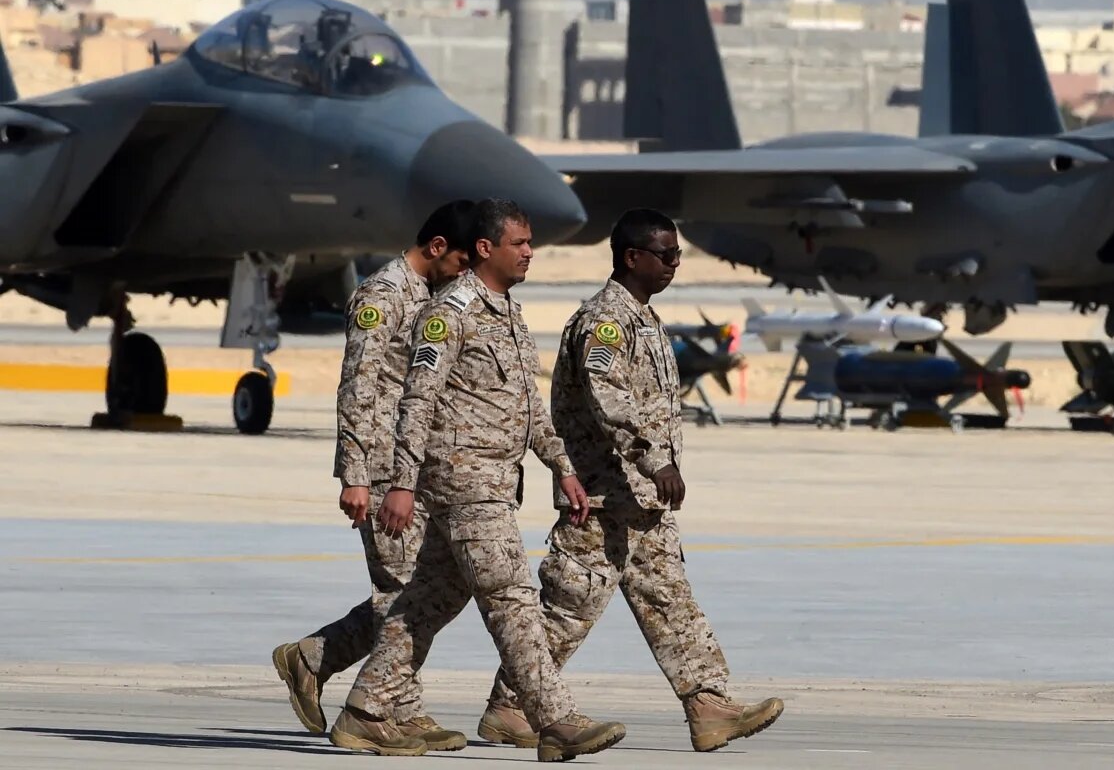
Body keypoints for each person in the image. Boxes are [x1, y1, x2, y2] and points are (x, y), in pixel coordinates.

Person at [330, 198, 626, 762]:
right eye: (521, 243)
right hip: (463, 482)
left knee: (430, 599)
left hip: (494, 480)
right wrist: (399, 482)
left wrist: (561, 466)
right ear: (486, 249)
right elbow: (416, 398)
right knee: (512, 597)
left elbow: (525, 403)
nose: (530, 253)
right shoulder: (449, 314)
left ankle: (366, 709)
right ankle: (555, 720)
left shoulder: (508, 312)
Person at [480, 208, 784, 753]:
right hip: (602, 495)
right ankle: (512, 707)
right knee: (569, 609)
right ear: (632, 257)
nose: (673, 264)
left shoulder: (643, 319)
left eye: (677, 255)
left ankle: (708, 706)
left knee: (670, 601)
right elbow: (608, 397)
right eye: (665, 255)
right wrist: (653, 460)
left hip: (638, 501)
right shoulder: (605, 321)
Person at [271, 201, 478, 751]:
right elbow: (357, 387)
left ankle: (317, 657)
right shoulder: (382, 296)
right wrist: (355, 474)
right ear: (436, 247)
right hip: (384, 467)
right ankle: (394, 710)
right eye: (460, 260)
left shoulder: (434, 299)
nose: (465, 273)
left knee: (436, 586)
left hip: (420, 466)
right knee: (402, 590)